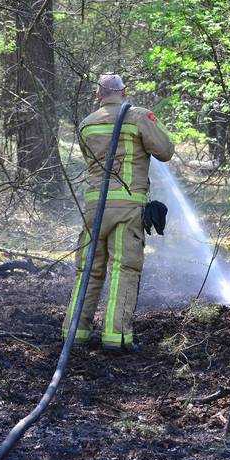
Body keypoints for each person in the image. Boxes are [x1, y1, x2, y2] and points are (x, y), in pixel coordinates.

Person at [62, 73, 174, 352]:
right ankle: (116, 337)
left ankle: (75, 333)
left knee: (88, 269)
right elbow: (165, 151)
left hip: (94, 209)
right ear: (124, 92)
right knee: (124, 269)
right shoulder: (137, 116)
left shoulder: (86, 124)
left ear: (98, 95)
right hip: (127, 208)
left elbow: (92, 162)